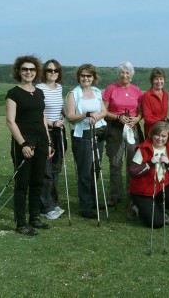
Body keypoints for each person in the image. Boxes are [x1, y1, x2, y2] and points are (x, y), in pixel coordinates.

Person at [6, 55, 54, 236]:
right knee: (22, 184)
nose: (28, 72)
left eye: (32, 70)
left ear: (36, 72)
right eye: (25, 69)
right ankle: (21, 223)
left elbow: (42, 118)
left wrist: (48, 142)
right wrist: (23, 144)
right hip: (24, 143)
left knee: (37, 181)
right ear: (19, 71)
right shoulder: (14, 93)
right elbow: (11, 122)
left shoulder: (39, 92)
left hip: (41, 141)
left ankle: (34, 217)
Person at [65, 64, 107, 219]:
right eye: (83, 75)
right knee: (84, 172)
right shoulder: (73, 94)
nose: (86, 78)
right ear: (79, 77)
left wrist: (97, 116)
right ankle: (85, 206)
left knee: (95, 169)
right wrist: (86, 115)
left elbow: (104, 111)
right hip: (82, 135)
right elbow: (70, 116)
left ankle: (93, 200)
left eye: (89, 76)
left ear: (93, 78)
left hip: (98, 133)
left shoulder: (96, 92)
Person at [102, 61, 143, 214]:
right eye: (122, 72)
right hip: (115, 129)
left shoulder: (137, 90)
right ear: (118, 74)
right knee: (115, 163)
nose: (124, 75)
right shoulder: (110, 89)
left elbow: (141, 111)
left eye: (127, 73)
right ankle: (115, 196)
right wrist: (118, 117)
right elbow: (103, 111)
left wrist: (137, 119)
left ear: (131, 75)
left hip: (132, 129)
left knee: (133, 163)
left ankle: (132, 195)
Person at [129, 121, 169, 227]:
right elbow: (133, 172)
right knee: (157, 223)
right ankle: (136, 206)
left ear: (168, 137)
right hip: (142, 191)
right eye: (157, 135)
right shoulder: (143, 148)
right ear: (152, 134)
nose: (160, 138)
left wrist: (168, 163)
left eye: (163, 136)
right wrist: (149, 163)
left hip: (160, 187)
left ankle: (156, 208)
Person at [36, 59, 66, 220]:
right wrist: (52, 123)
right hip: (46, 131)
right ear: (44, 72)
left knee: (56, 169)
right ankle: (44, 207)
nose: (52, 73)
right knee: (46, 171)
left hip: (59, 132)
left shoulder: (59, 88)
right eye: (49, 70)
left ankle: (53, 203)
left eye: (55, 70)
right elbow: (40, 113)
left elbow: (60, 108)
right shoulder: (40, 88)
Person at [141, 67, 169, 138]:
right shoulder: (147, 96)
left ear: (164, 80)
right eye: (156, 79)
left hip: (164, 131)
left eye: (161, 79)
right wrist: (162, 122)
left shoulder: (165, 94)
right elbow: (147, 119)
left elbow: (163, 115)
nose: (159, 82)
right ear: (152, 81)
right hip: (152, 132)